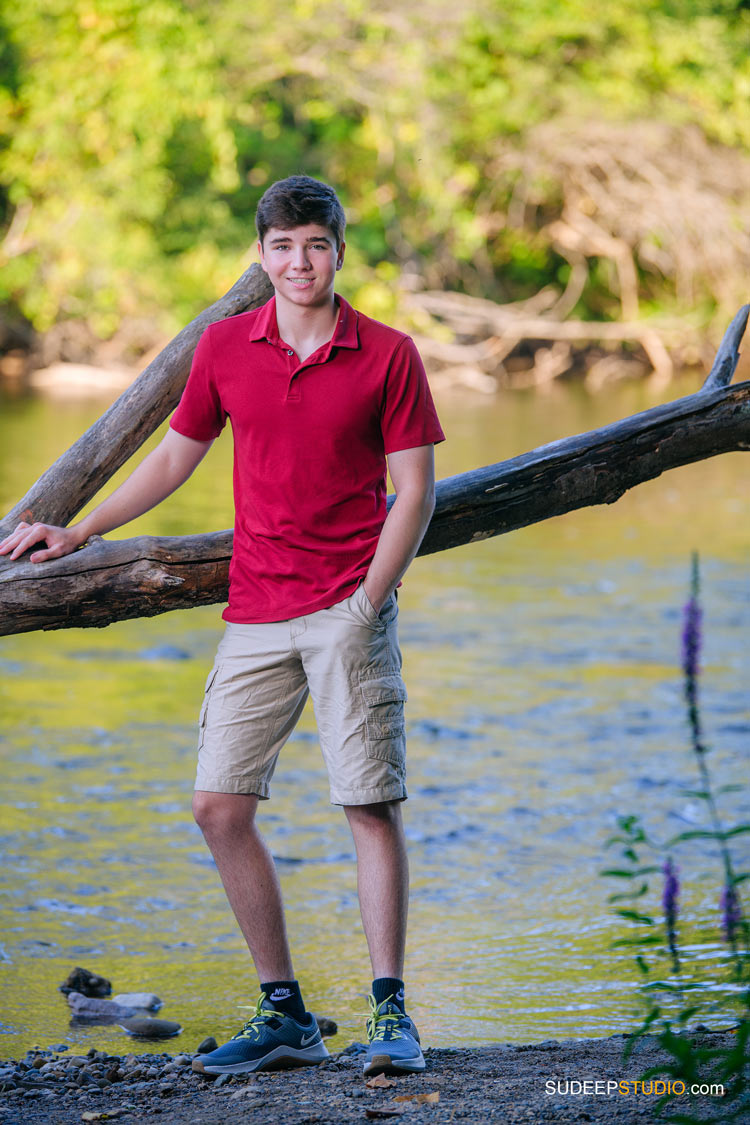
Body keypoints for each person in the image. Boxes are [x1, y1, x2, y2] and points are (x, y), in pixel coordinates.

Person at [0, 175, 445, 1078]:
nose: (299, 261)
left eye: (315, 244)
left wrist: (367, 602)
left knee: (367, 805)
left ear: (339, 251)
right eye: (282, 246)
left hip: (345, 610)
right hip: (255, 610)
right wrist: (77, 527)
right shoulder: (225, 348)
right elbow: (173, 455)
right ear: (263, 255)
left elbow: (416, 492)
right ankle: (283, 1010)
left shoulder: (389, 353)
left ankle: (392, 1013)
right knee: (217, 806)